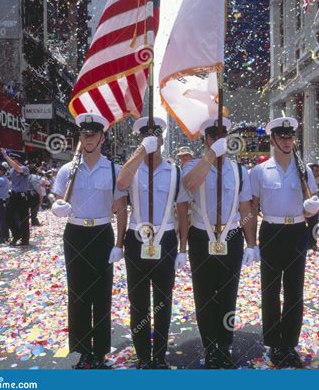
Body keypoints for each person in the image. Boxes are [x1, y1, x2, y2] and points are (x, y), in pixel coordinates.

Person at [51, 113, 127, 369]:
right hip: (75, 234)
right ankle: (83, 349)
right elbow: (57, 199)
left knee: (102, 293)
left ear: (102, 138)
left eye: (94, 134)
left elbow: (121, 208)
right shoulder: (67, 169)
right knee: (78, 293)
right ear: (80, 138)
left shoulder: (114, 169)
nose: (89, 138)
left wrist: (119, 244)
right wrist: (57, 207)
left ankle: (101, 350)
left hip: (102, 233)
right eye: (84, 134)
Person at [183, 117, 257, 369]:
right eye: (213, 136)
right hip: (202, 235)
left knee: (227, 294)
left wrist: (252, 243)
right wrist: (210, 157)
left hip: (231, 236)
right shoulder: (193, 165)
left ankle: (224, 343)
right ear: (206, 139)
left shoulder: (238, 170)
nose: (218, 140)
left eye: (222, 135)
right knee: (204, 294)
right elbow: (190, 184)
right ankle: (209, 345)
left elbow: (245, 206)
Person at [117, 117, 190, 369]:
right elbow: (121, 183)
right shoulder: (131, 168)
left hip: (166, 238)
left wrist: (183, 248)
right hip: (137, 239)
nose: (152, 139)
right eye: (146, 136)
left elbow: (182, 212)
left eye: (156, 135)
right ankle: (142, 355)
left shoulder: (175, 171)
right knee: (138, 302)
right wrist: (140, 151)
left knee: (162, 301)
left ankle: (159, 354)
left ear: (162, 138)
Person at [249, 117, 319, 368]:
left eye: (290, 137)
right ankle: (273, 341)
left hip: (297, 230)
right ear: (272, 140)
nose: (287, 141)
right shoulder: (259, 171)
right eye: (282, 137)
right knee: (270, 289)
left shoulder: (304, 170)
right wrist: (251, 242)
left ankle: (289, 343)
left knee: (294, 289)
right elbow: (252, 205)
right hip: (271, 230)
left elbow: (311, 202)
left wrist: (313, 209)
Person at [1, 150, 30, 246]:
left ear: (17, 160)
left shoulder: (24, 168)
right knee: (7, 217)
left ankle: (25, 240)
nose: (11, 162)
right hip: (13, 196)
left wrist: (6, 156)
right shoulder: (11, 170)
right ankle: (17, 234)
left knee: (23, 219)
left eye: (13, 160)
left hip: (22, 197)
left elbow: (18, 168)